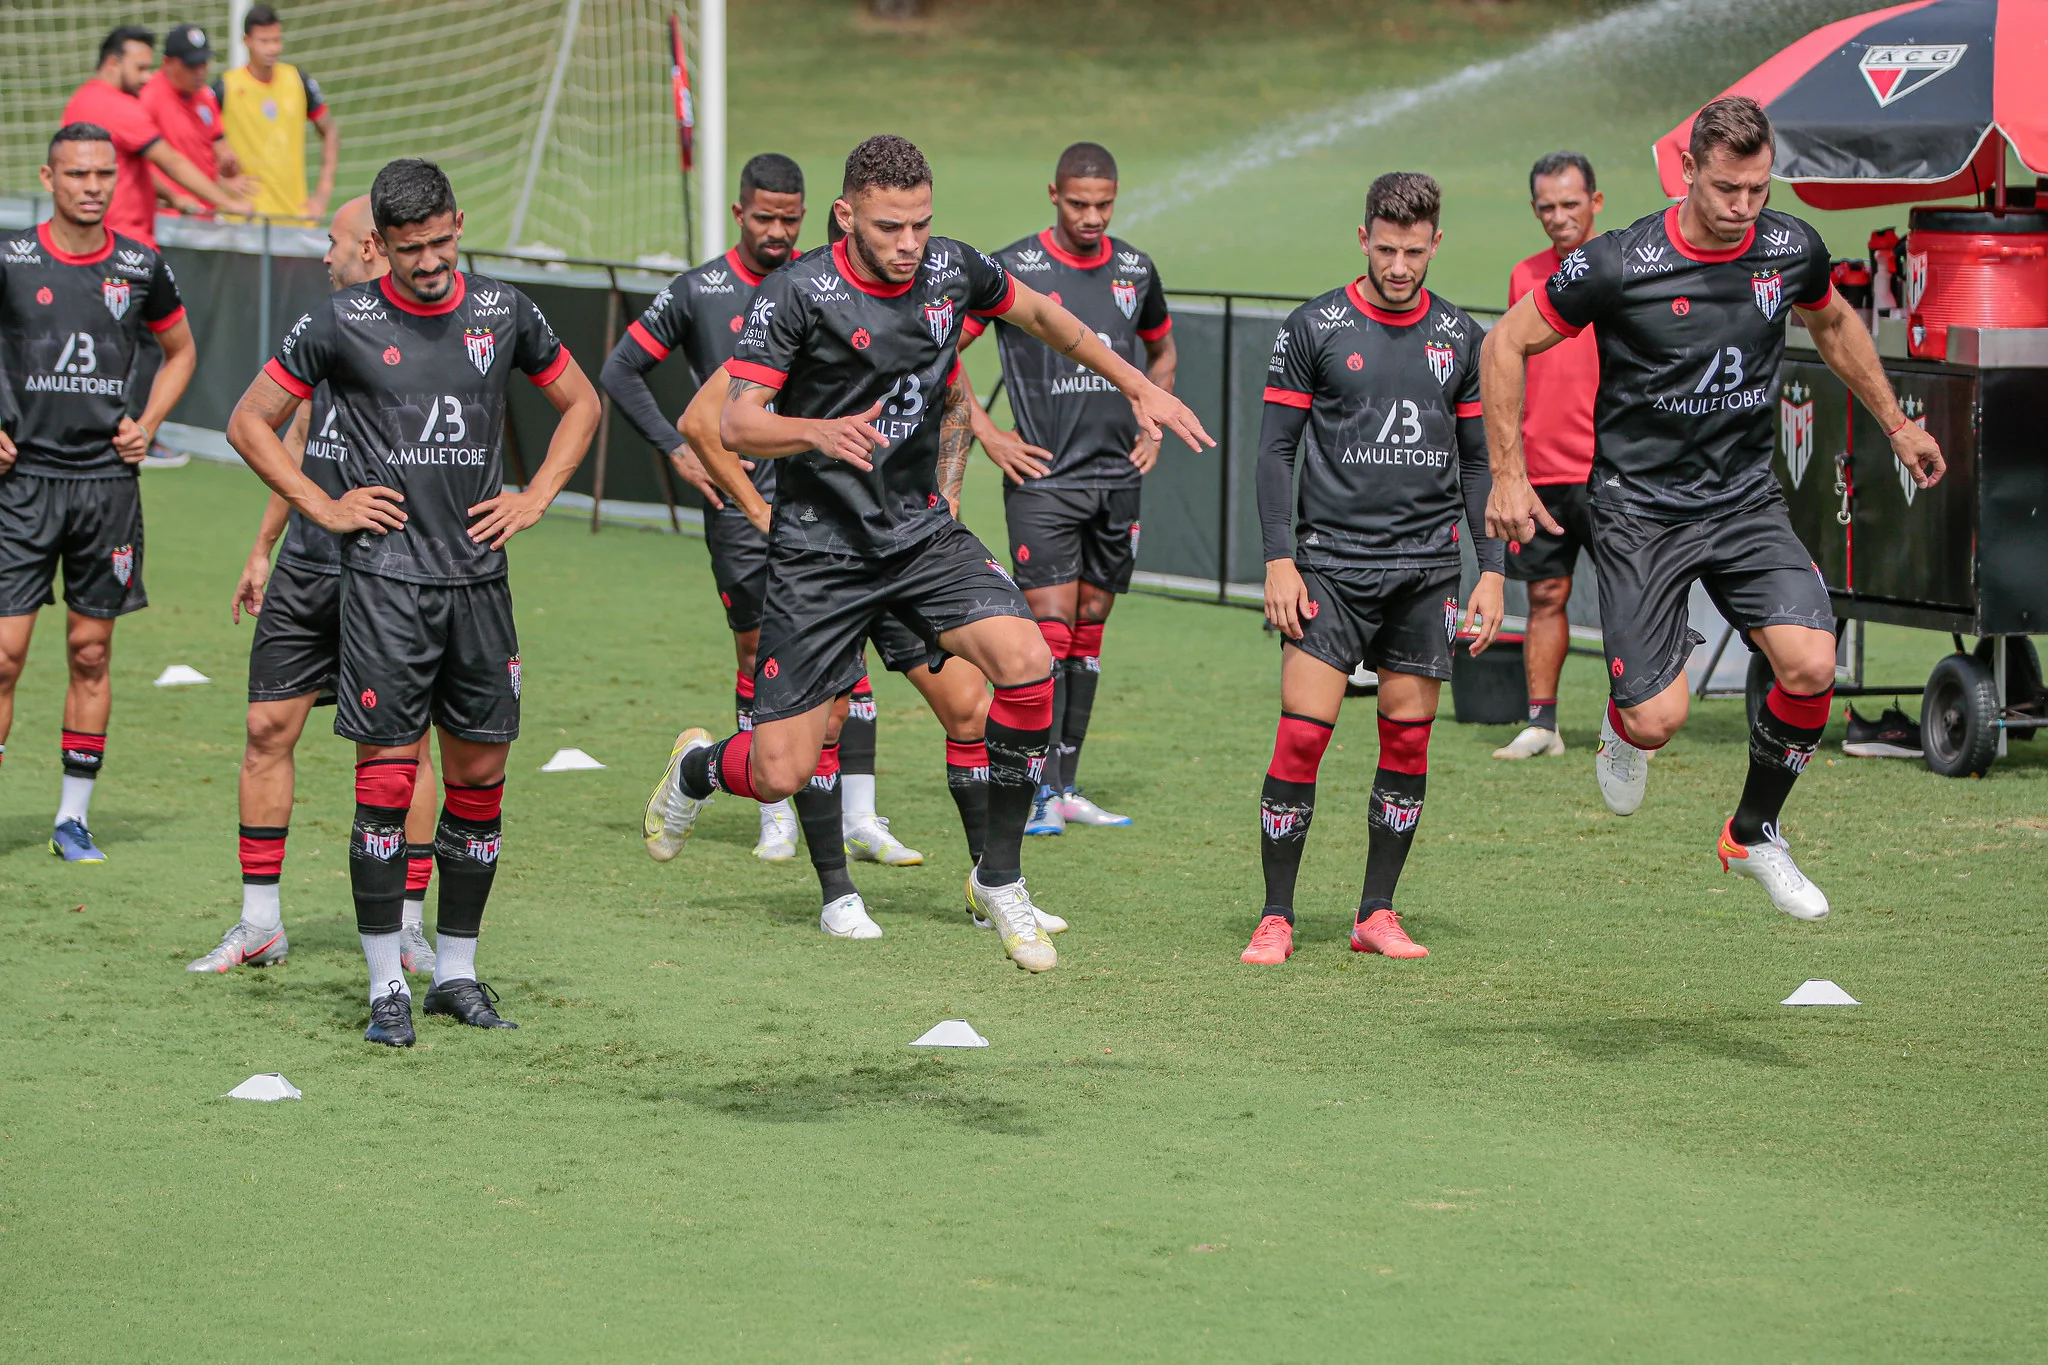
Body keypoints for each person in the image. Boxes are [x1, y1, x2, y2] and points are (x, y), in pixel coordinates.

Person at [644, 135, 1211, 971]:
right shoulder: (799, 293)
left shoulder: (952, 269)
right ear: (846, 217)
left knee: (1025, 662)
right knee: (779, 770)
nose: (908, 244)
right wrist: (814, 430)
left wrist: (1139, 382)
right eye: (888, 227)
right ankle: (696, 768)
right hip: (819, 554)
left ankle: (1000, 879)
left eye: (920, 224)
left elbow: (1043, 316)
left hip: (917, 536)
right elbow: (731, 422)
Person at [1481, 96, 1945, 920]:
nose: (1743, 208)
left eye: (1759, 189)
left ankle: (1755, 831)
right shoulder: (1618, 262)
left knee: (1810, 664)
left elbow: (1832, 320)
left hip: (1742, 500)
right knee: (1660, 720)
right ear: (1688, 171)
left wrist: (1898, 422)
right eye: (1728, 189)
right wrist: (1508, 473)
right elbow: (1503, 342)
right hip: (1638, 511)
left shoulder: (1789, 245)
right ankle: (1625, 727)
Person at [226, 159, 602, 1045]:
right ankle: (386, 983)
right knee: (388, 782)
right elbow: (252, 419)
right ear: (380, 245)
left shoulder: (504, 311)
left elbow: (580, 402)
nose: (429, 261)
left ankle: (458, 975)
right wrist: (321, 506)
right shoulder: (340, 319)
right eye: (409, 248)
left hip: (480, 585)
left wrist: (537, 495)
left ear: (458, 225)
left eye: (440, 242)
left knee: (478, 781)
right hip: (388, 587)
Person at [601, 152, 921, 867]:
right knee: (758, 651)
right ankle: (774, 813)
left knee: (852, 653)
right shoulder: (700, 290)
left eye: (790, 218)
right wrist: (677, 449)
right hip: (741, 500)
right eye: (765, 217)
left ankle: (861, 814)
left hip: (826, 496)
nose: (778, 231)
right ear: (739, 212)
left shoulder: (820, 283)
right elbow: (620, 370)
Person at [1242, 172, 1505, 967]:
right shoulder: (1314, 325)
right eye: (1386, 249)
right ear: (1363, 239)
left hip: (1425, 571)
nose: (1399, 265)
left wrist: (1490, 570)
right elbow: (1274, 450)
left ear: (1436, 243)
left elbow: (1478, 464)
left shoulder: (1462, 336)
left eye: (1414, 251)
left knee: (1408, 743)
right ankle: (1277, 915)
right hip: (1326, 568)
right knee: (1300, 740)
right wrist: (1278, 560)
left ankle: (1375, 913)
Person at [188, 196, 442, 974]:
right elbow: (291, 435)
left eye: (330, 243)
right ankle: (260, 923)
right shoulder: (327, 323)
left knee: (402, 748)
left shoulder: (439, 331)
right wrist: (266, 545)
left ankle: (404, 925)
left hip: (391, 571)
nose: (323, 256)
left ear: (369, 245)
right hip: (306, 563)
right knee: (267, 729)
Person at [958, 141, 1175, 835]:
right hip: (1044, 480)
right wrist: (987, 434)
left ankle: (1067, 785)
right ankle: (1037, 790)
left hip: (1118, 479)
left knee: (1087, 633)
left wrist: (1154, 415)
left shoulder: (1136, 268)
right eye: (1078, 203)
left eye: (1103, 204)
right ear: (1052, 195)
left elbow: (1162, 348)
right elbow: (938, 351)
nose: (1091, 216)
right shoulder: (1014, 268)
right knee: (1048, 635)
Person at [0, 124, 196, 862]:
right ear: (48, 179)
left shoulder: (142, 265)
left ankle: (72, 819)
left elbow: (181, 350)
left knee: (90, 651)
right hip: (20, 483)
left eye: (103, 174)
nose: (92, 186)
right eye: (77, 173)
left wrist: (148, 422)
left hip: (106, 486)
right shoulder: (12, 258)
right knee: (4, 655)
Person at [1491, 151, 1602, 761]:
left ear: (1596, 202)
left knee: (1630, 601)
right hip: (1540, 474)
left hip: (1611, 472)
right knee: (1544, 597)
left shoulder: (1623, 269)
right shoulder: (1523, 275)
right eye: (1547, 207)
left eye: (1570, 203)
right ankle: (1543, 726)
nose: (1559, 217)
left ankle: (1634, 727)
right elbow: (1509, 367)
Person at [61, 25, 253, 250]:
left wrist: (173, 196)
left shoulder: (79, 100)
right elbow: (171, 161)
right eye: (140, 68)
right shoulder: (124, 106)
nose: (146, 77)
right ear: (113, 63)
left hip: (87, 240)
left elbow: (130, 167)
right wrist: (227, 203)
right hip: (124, 244)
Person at [215, 4, 339, 223]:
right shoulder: (226, 87)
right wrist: (221, 182)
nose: (272, 48)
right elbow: (193, 141)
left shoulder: (298, 80)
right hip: (246, 219)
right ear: (246, 41)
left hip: (295, 217)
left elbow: (330, 132)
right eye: (264, 41)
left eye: (276, 40)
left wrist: (322, 193)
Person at [140, 23, 258, 218]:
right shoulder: (148, 97)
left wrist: (228, 165)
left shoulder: (205, 96)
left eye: (204, 63)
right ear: (167, 63)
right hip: (165, 217)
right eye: (191, 65)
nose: (200, 71)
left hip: (205, 216)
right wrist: (227, 202)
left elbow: (218, 145)